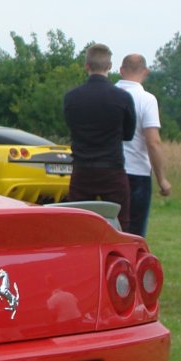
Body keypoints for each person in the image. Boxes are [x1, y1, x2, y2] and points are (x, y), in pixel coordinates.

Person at [63, 43, 136, 230]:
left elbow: (71, 126)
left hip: (82, 168)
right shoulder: (122, 98)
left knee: (77, 222)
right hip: (112, 167)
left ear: (86, 66)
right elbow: (128, 134)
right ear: (110, 67)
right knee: (121, 221)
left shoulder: (72, 98)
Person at [115, 53, 172, 236]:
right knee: (134, 230)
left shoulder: (110, 95)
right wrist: (161, 178)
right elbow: (153, 141)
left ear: (121, 70)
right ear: (145, 72)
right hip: (137, 172)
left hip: (111, 169)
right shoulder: (147, 99)